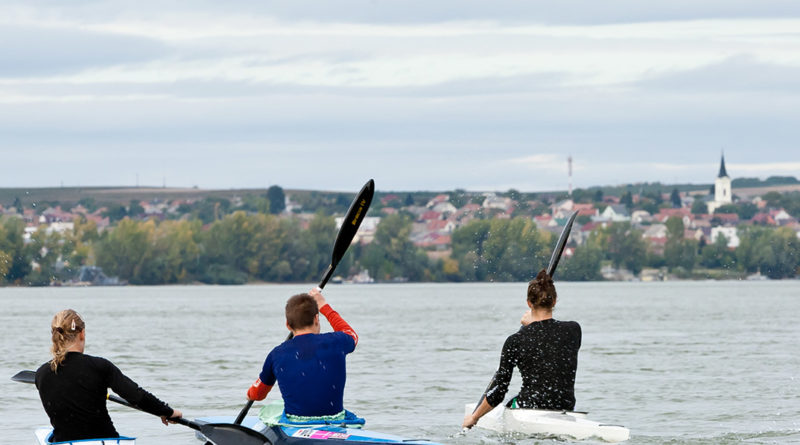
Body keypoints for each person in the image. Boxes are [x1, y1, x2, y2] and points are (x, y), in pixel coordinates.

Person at [35, 309, 182, 442]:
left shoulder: (41, 374)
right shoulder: (100, 366)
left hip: (64, 441)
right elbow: (137, 396)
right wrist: (167, 411)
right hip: (106, 440)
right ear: (82, 333)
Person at [463, 270, 581, 429]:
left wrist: (474, 417)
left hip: (530, 406)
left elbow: (499, 391)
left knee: (509, 403)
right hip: (565, 406)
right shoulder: (573, 330)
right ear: (554, 301)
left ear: (529, 303)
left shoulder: (515, 341)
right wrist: (534, 326)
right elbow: (550, 347)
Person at [246, 288, 358, 420]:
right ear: (316, 319)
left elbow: (258, 395)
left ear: (288, 325)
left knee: (271, 409)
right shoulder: (336, 342)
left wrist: (250, 394)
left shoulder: (276, 354)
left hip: (296, 422)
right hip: (335, 419)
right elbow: (351, 334)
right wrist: (324, 306)